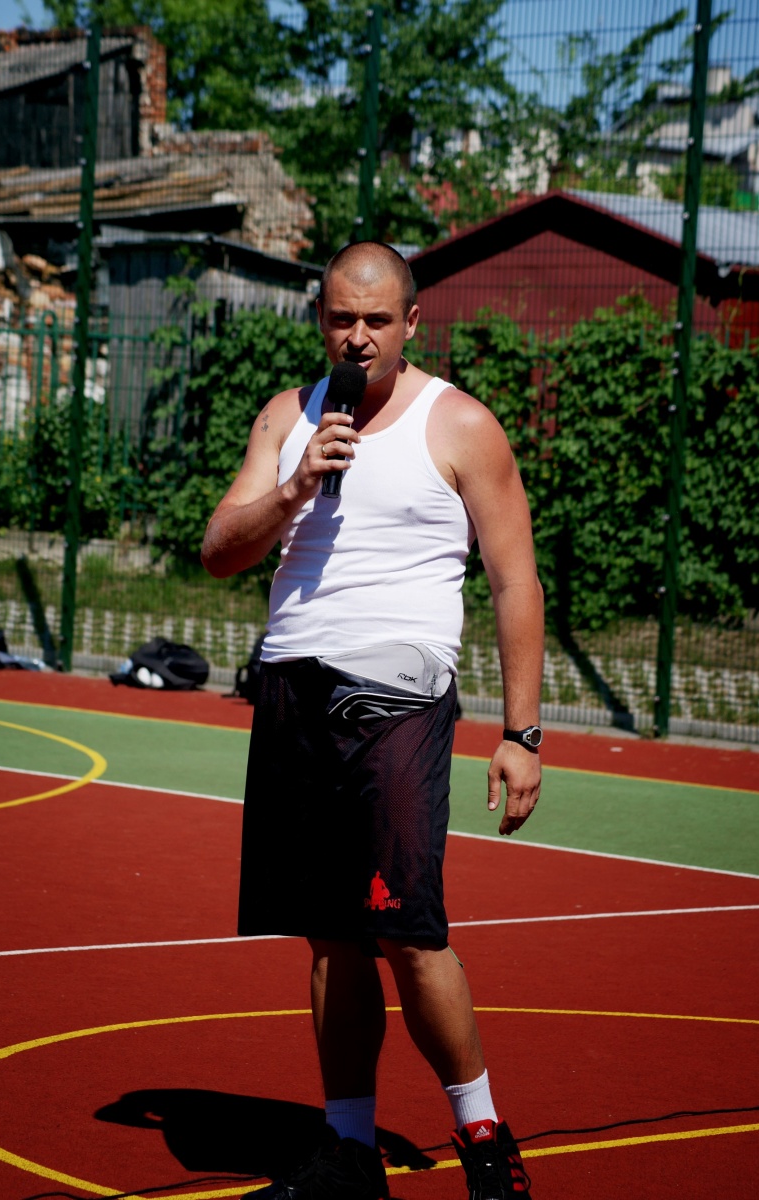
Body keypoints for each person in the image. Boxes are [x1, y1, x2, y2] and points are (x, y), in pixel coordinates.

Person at [201, 241, 544, 1200]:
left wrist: (521, 735)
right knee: (330, 936)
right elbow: (219, 549)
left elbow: (515, 580)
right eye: (341, 319)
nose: (357, 338)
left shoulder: (460, 424)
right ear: (320, 319)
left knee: (408, 933)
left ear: (411, 323)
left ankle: (484, 1142)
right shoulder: (287, 417)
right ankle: (349, 1153)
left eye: (377, 320)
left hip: (397, 699)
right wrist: (293, 486)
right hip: (292, 688)